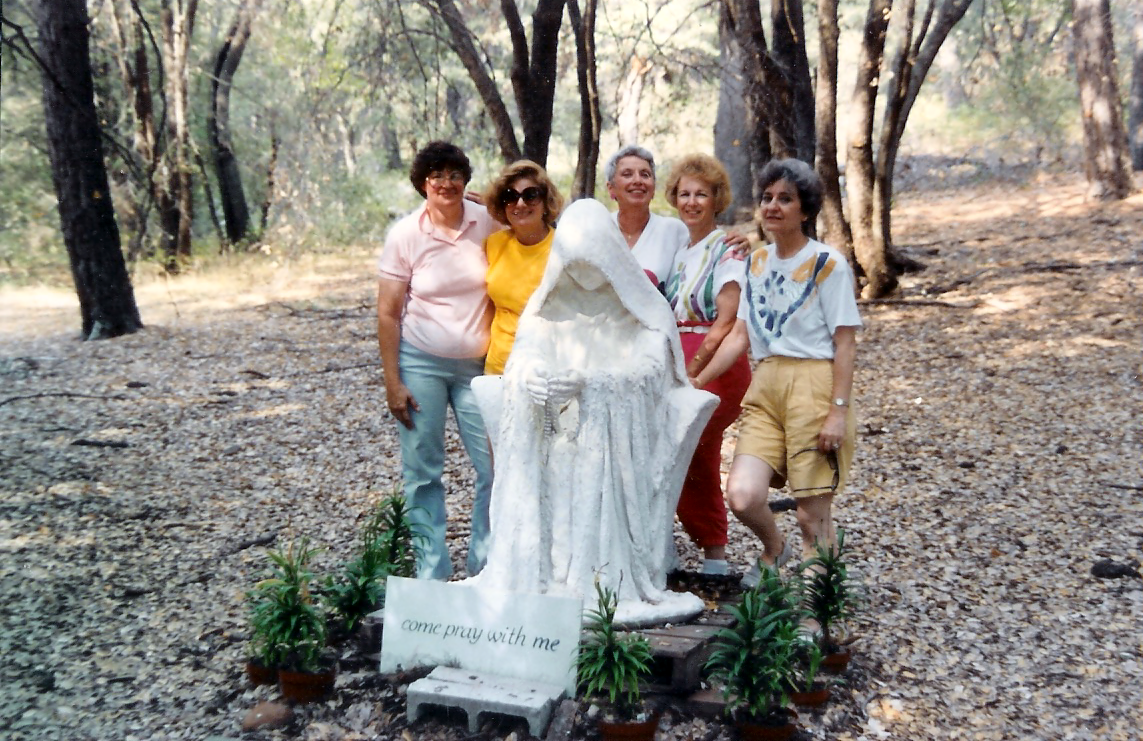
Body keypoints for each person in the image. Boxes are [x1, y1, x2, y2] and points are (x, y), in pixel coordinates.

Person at [469, 198, 716, 624]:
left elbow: (649, 372)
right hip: (551, 438)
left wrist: (591, 384)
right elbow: (523, 358)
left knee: (587, 460)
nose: (583, 275)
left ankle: (599, 578)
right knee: (557, 455)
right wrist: (533, 380)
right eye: (574, 263)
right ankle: (546, 571)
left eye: (593, 263)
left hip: (614, 447)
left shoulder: (643, 315)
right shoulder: (545, 311)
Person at [693, 158, 861, 588]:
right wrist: (696, 383)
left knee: (811, 515)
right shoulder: (757, 263)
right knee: (744, 496)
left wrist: (837, 412)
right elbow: (738, 337)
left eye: (785, 199)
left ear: (805, 211)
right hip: (765, 386)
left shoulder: (829, 264)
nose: (772, 206)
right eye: (767, 198)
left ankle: (814, 617)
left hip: (814, 385)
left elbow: (845, 342)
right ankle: (774, 548)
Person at [376, 141, 499, 580]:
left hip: (478, 368)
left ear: (466, 180)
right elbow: (388, 313)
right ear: (421, 183)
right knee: (423, 469)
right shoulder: (406, 234)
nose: (445, 183)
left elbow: (538, 229)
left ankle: (487, 569)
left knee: (494, 466)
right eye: (436, 175)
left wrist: (497, 201)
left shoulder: (487, 221)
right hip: (421, 363)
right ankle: (432, 575)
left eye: (454, 174)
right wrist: (394, 382)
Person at [662, 154, 752, 576]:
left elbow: (726, 321)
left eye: (701, 194)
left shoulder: (728, 249)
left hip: (716, 364)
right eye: (684, 193)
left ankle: (715, 551)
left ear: (717, 199)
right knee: (684, 451)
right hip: (679, 362)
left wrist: (693, 373)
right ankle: (704, 548)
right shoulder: (680, 250)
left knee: (689, 448)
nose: (692, 202)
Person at [481, 160, 565, 375]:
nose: (520, 204)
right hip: (498, 367)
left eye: (530, 195)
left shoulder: (564, 250)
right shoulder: (495, 244)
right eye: (510, 196)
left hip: (546, 371)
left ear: (546, 202)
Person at [604, 145, 689, 289]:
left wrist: (737, 244)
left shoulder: (674, 231)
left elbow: (706, 256)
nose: (638, 180)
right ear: (611, 188)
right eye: (627, 174)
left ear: (654, 188)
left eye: (645, 174)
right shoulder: (600, 229)